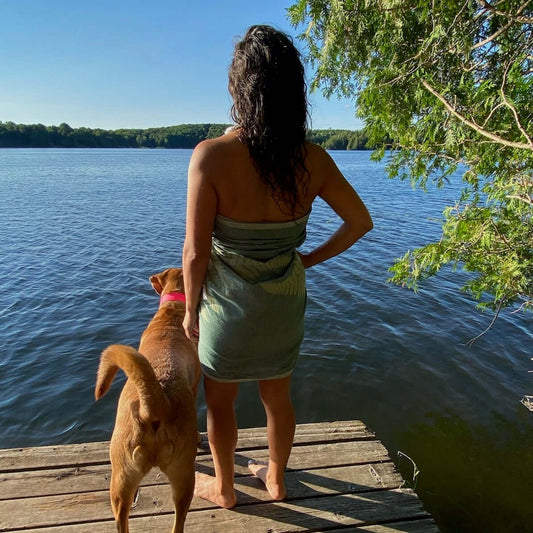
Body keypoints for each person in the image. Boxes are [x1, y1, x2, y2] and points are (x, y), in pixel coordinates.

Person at [182, 25, 373, 509]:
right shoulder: (312, 160)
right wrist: (308, 259)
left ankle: (224, 487)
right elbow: (359, 223)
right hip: (284, 301)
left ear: (240, 89)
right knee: (277, 397)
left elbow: (195, 253)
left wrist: (188, 312)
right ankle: (277, 480)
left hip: (226, 308)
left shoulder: (211, 156)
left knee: (220, 402)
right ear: (293, 91)